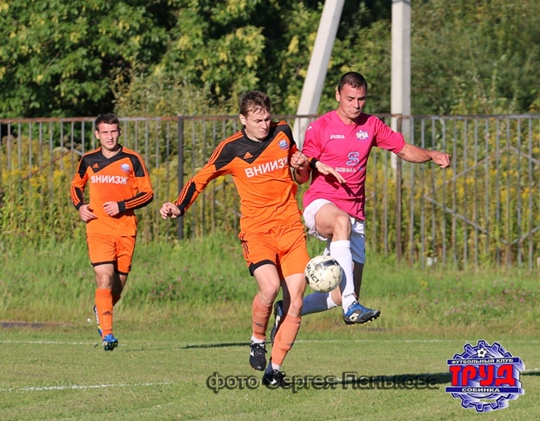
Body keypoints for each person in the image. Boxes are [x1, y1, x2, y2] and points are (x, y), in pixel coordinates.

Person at [160, 91, 340, 387]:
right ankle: (257, 339)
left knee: (296, 302)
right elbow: (200, 179)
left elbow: (300, 177)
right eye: (257, 121)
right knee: (269, 287)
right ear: (243, 119)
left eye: (267, 118)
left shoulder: (283, 132)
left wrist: (301, 165)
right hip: (257, 231)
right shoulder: (231, 148)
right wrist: (179, 206)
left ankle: (275, 369)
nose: (264, 125)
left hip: (290, 230)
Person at [272, 72, 451, 335]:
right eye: (350, 99)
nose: (356, 105)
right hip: (321, 204)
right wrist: (299, 166)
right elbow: (302, 176)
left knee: (339, 294)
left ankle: (286, 309)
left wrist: (431, 154)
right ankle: (351, 305)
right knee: (341, 223)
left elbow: (403, 149)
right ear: (338, 96)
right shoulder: (320, 127)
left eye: (361, 99)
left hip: (355, 213)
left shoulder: (371, 125)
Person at [70, 113, 154, 351]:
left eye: (113, 131)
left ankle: (100, 308)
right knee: (104, 278)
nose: (109, 136)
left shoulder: (132, 159)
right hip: (98, 228)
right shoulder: (89, 160)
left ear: (119, 132)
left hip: (125, 230)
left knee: (116, 287)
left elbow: (148, 193)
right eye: (105, 132)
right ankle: (107, 334)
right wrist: (80, 206)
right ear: (97, 134)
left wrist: (122, 206)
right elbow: (76, 186)